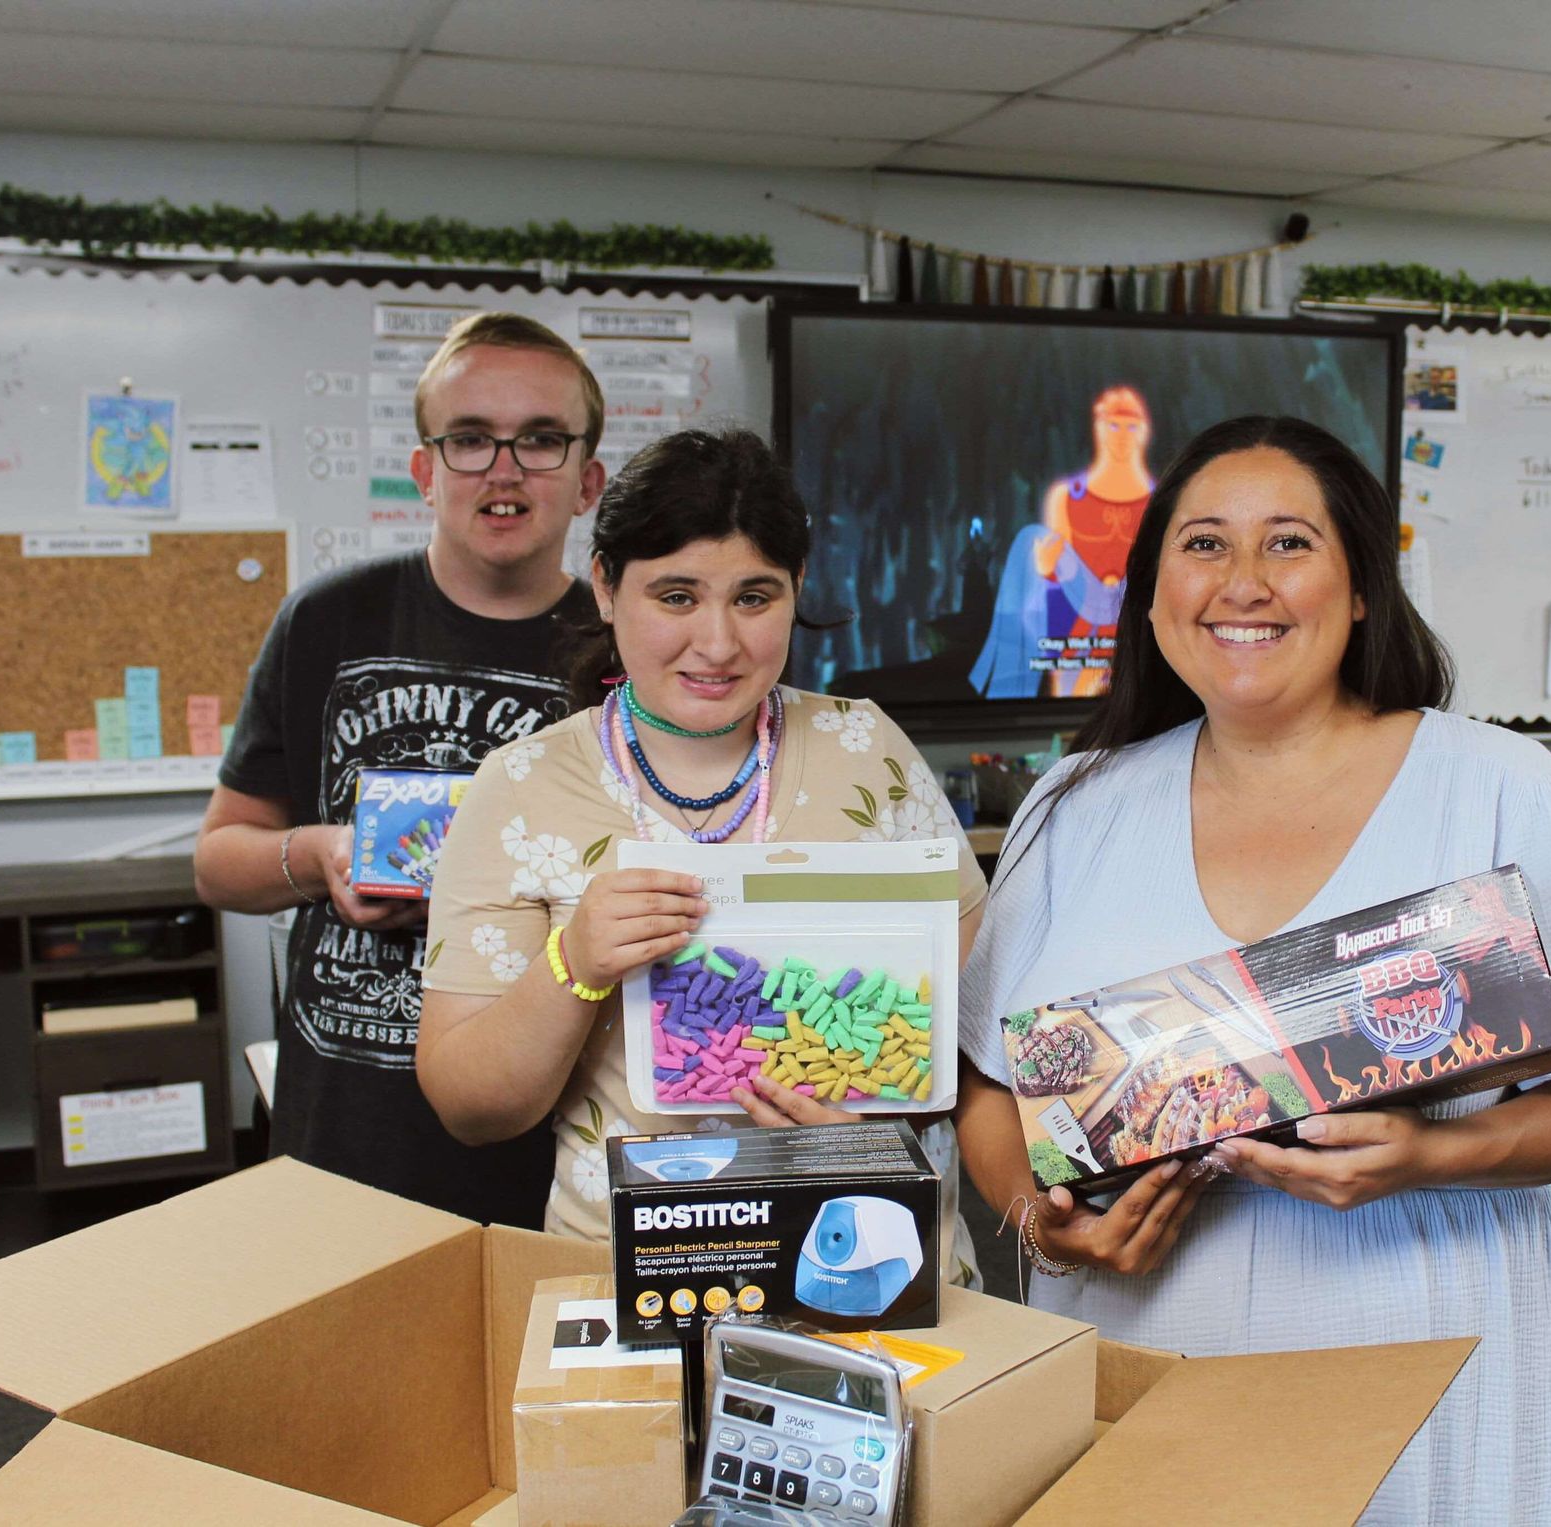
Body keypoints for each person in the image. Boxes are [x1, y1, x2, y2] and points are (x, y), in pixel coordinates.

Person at [954, 416, 1551, 1523]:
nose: (1240, 583)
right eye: (1201, 546)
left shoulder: (1501, 789)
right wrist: (1033, 1218)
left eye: (1287, 545)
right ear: (1150, 596)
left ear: (1357, 592)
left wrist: (1432, 1154)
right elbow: (990, 1085)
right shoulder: (1075, 807)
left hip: (1421, 1335)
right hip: (1144, 1330)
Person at [415, 427, 989, 1276]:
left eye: (754, 597)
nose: (718, 643)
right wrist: (574, 962)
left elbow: (981, 1022)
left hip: (878, 1254)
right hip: (641, 1275)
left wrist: (888, 1112)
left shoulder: (867, 747)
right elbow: (470, 1105)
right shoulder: (524, 786)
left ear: (795, 589)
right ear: (606, 588)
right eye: (676, 596)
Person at [194, 311, 606, 1225]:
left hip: (549, 1143)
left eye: (541, 439)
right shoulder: (327, 621)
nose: (504, 469)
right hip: (344, 1133)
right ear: (425, 469)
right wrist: (320, 856)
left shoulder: (626, 656)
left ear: (588, 481)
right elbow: (219, 858)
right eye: (470, 439)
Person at [971, 386, 1155, 699]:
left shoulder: (1161, 500)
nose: (1122, 435)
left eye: (1131, 426)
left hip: (1144, 640)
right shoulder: (1066, 498)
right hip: (1078, 638)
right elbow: (1054, 586)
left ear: (1143, 431)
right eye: (1113, 424)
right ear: (1098, 427)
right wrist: (1047, 571)